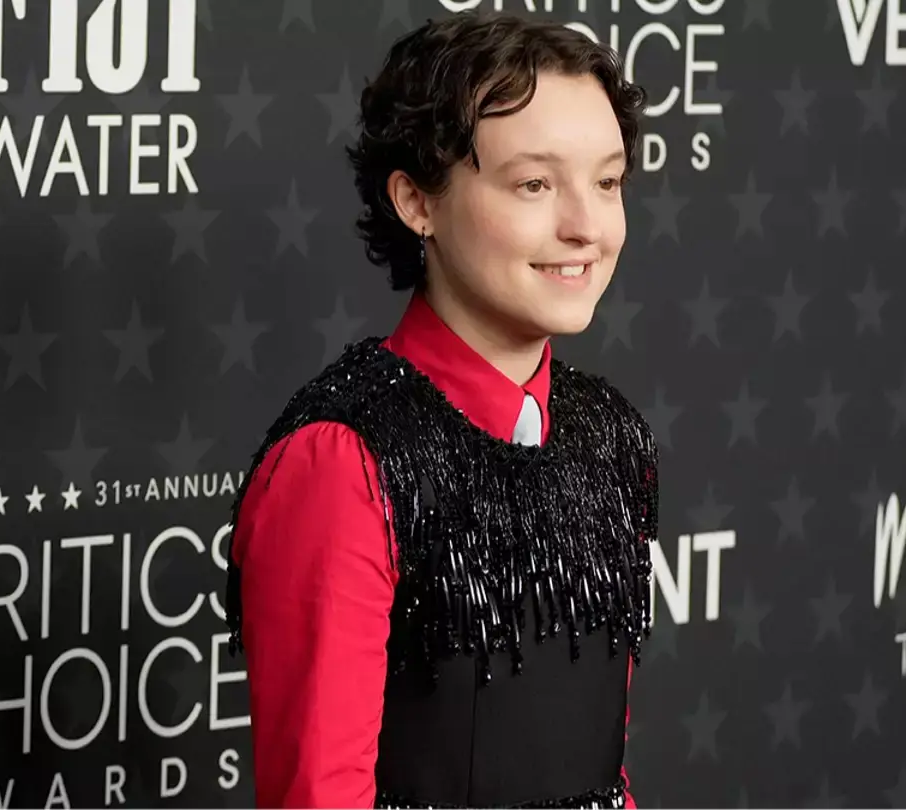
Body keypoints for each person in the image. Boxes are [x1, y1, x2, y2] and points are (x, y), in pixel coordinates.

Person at [222, 12, 658, 809]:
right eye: (534, 184)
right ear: (417, 201)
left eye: (607, 181)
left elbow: (602, 773)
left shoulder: (611, 435)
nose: (586, 227)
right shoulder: (343, 460)